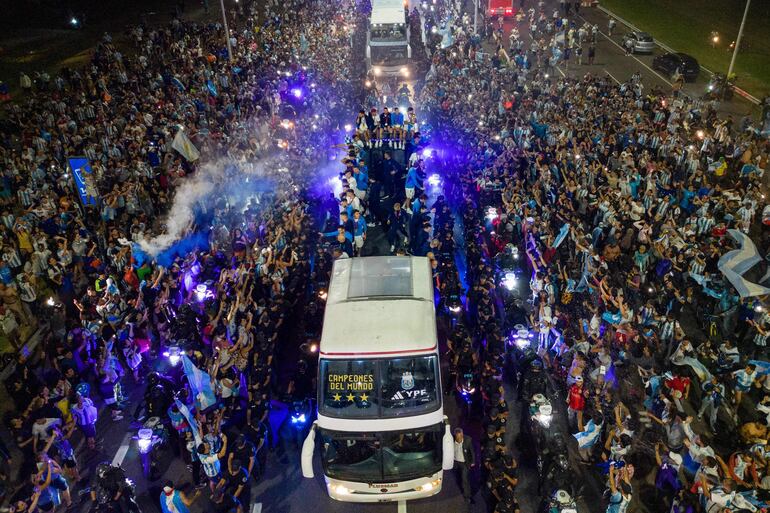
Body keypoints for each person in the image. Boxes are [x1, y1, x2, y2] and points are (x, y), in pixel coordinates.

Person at [453, 427, 476, 503]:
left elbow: (472, 452)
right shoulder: (451, 441)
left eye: (460, 436)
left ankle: (467, 496)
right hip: (456, 462)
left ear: (462, 434)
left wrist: (473, 461)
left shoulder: (468, 440)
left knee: (464, 479)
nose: (459, 438)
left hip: (465, 463)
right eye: (457, 437)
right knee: (458, 477)